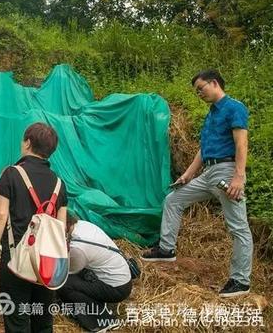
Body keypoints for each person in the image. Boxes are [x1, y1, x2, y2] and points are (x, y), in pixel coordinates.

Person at [141, 69, 253, 297]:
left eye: (201, 89)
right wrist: (188, 175)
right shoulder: (211, 114)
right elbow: (204, 150)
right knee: (173, 200)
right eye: (197, 91)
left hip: (226, 172)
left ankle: (240, 281)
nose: (199, 94)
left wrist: (239, 176)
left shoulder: (234, 107)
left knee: (238, 227)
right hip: (209, 173)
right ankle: (166, 249)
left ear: (214, 83)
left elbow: (241, 143)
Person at [0, 122, 68, 333]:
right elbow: (61, 228)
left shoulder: (11, 174)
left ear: (28, 143)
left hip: (16, 259)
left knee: (17, 321)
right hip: (47, 262)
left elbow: (1, 215)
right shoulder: (59, 184)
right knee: (43, 321)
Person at [57, 214, 132, 332]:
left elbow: (68, 272)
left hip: (117, 288)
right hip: (121, 276)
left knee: (65, 284)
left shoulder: (78, 248)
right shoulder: (82, 225)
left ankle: (102, 320)